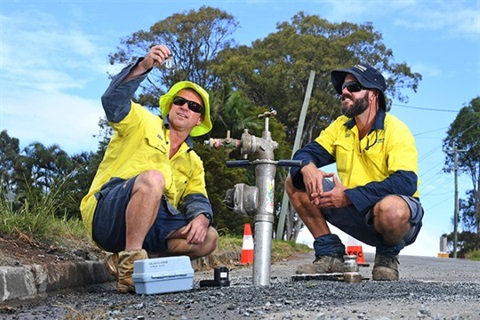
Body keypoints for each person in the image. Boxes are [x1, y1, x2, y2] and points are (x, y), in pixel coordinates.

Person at [80, 45, 218, 293]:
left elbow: (197, 197)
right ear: (170, 106)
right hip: (108, 215)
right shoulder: (142, 120)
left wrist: (201, 217)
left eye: (194, 107)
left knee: (209, 237)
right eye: (180, 101)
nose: (186, 107)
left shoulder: (193, 161)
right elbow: (112, 102)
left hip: (152, 226)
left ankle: (127, 262)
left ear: (199, 120)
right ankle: (131, 271)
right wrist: (143, 66)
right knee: (154, 179)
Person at [285, 63, 424, 281]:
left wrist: (349, 196)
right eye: (343, 87)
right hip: (353, 209)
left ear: (373, 95)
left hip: (390, 216)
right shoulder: (341, 126)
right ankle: (330, 255)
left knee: (392, 209)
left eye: (354, 86)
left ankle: (387, 257)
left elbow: (406, 183)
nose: (344, 91)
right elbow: (306, 153)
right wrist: (307, 165)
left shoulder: (396, 130)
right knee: (295, 179)